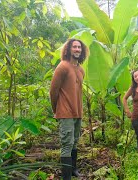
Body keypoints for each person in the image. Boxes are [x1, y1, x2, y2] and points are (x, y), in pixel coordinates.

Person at [49, 38, 89, 180]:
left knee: (75, 141)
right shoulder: (63, 67)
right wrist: (56, 110)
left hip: (77, 111)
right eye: (74, 47)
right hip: (65, 112)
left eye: (79, 47)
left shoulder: (80, 69)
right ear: (68, 50)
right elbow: (53, 91)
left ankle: (73, 170)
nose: (77, 49)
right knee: (67, 143)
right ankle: (66, 177)